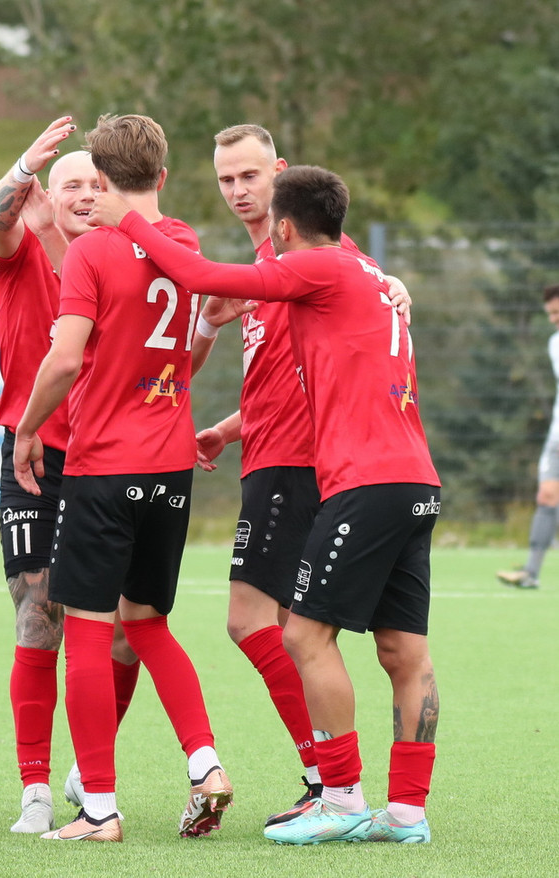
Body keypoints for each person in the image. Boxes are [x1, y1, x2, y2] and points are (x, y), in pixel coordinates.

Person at [89, 164, 440, 845]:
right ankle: (406, 811)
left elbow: (198, 275)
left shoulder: (316, 266)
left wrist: (124, 218)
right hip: (414, 481)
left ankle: (339, 797)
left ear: (283, 228)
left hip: (364, 483)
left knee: (304, 635)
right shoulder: (369, 276)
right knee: (405, 650)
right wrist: (231, 426)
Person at [14, 113, 233, 843]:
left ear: (102, 179)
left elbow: (64, 360)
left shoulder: (92, 252)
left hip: (105, 466)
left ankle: (100, 809)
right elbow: (183, 345)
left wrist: (26, 429)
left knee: (86, 632)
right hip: (171, 469)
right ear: (162, 176)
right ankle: (204, 763)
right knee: (148, 625)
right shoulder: (184, 241)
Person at [190, 125, 411, 828]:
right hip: (268, 451)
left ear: (279, 174)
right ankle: (335, 782)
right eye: (226, 179)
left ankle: (326, 777)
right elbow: (290, 375)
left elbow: (368, 292)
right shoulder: (266, 267)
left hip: (298, 460)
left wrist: (396, 285)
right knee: (292, 626)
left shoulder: (312, 257)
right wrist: (230, 426)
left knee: (252, 620)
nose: (237, 190)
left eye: (250, 175)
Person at [0, 116, 141, 834]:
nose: (83, 194)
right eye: (69, 184)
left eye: (96, 184)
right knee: (38, 613)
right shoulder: (20, 251)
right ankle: (36, 789)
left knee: (121, 630)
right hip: (35, 461)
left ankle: (90, 767)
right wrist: (22, 171)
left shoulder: (127, 260)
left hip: (110, 459)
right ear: (46, 196)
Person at [497, 284, 559, 590]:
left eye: (557, 312)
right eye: (550, 313)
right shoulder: (554, 343)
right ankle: (531, 572)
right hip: (557, 437)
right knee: (547, 495)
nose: (553, 319)